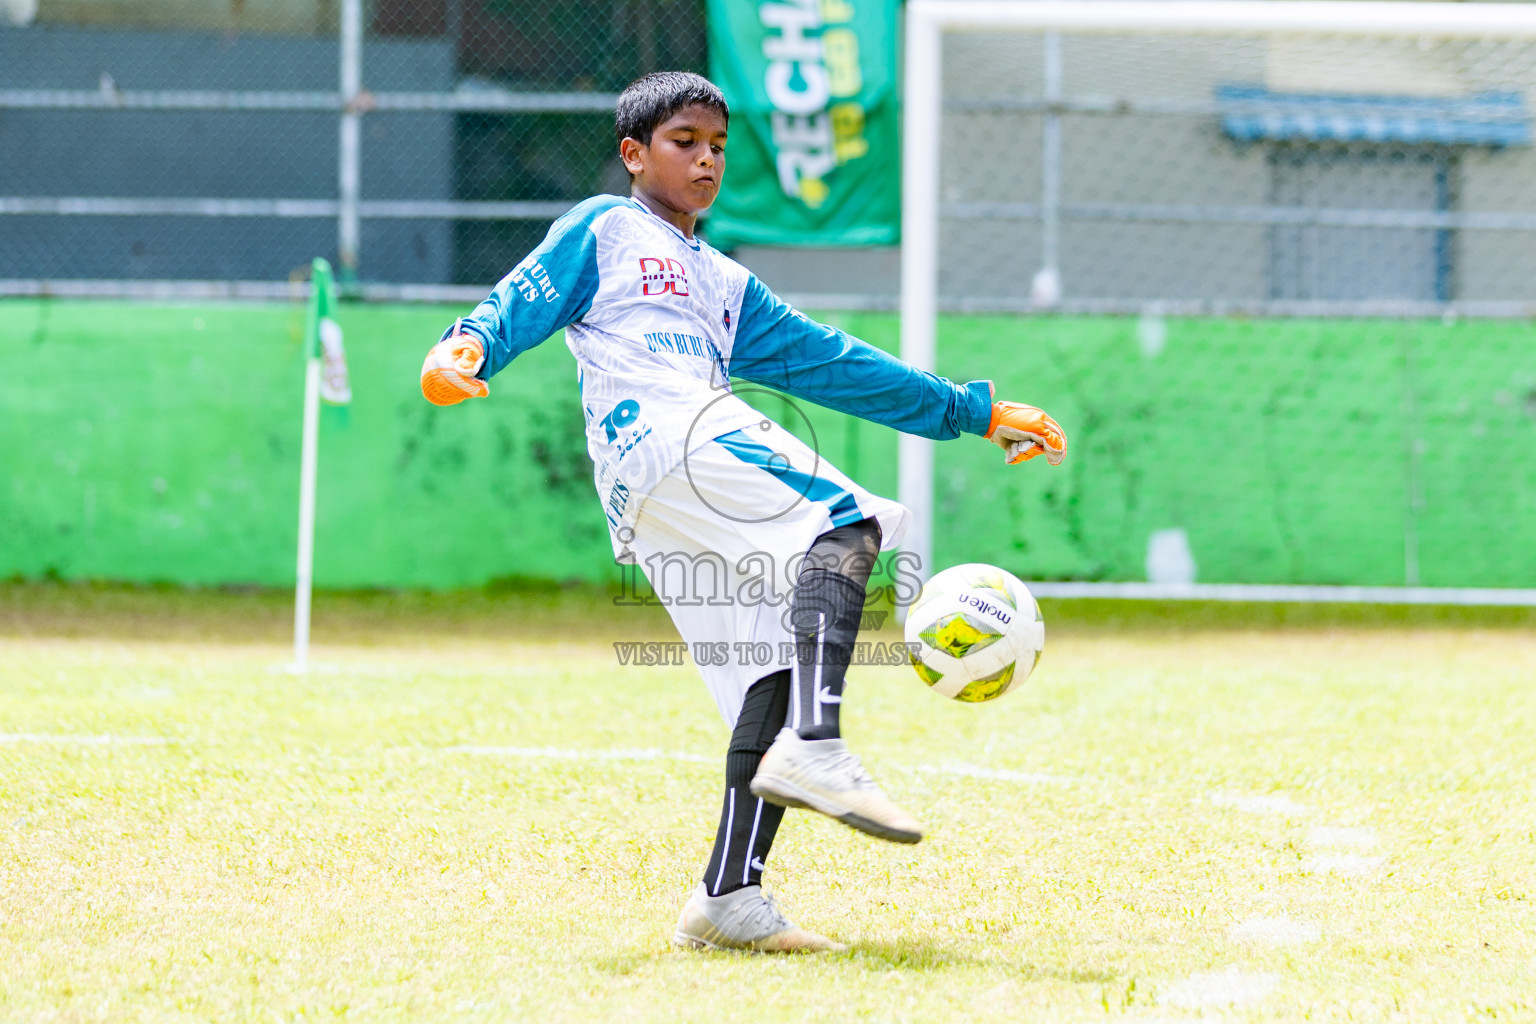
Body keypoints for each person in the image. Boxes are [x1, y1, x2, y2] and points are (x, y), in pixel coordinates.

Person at [419, 71, 1066, 953]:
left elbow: (838, 364)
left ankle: (728, 897)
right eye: (686, 141)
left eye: (719, 146)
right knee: (848, 521)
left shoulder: (724, 283)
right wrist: (468, 347)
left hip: (656, 482)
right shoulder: (606, 227)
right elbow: (523, 293)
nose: (707, 159)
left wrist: (974, 410)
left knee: (769, 663)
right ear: (635, 153)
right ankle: (819, 747)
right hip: (660, 433)